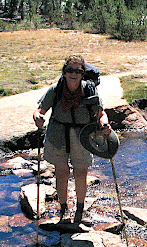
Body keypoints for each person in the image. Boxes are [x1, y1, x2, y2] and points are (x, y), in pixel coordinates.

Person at [33, 54, 110, 223]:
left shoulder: (89, 90)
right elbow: (40, 110)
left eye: (78, 70)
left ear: (83, 73)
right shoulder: (56, 89)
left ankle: (80, 210)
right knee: (61, 172)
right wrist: (38, 117)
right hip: (58, 135)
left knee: (81, 172)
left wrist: (105, 125)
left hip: (82, 136)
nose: (73, 74)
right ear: (64, 72)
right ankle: (63, 208)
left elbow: (101, 114)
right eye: (70, 70)